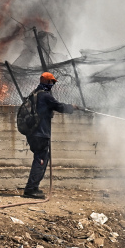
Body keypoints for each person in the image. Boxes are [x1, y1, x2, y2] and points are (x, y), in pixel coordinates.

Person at [21, 71, 79, 199]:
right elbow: (59, 106)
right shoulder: (45, 96)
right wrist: (72, 107)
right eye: (52, 82)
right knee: (40, 160)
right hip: (40, 133)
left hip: (33, 133)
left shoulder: (34, 94)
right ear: (47, 82)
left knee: (41, 159)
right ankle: (30, 189)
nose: (52, 84)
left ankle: (34, 188)